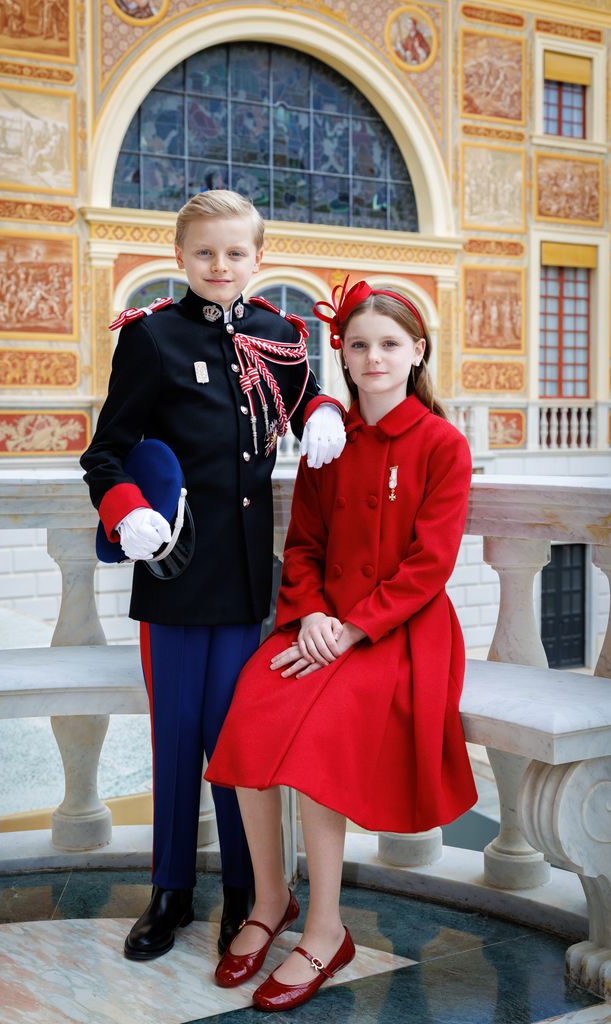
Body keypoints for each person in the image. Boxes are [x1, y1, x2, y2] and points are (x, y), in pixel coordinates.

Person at [80, 190, 346, 962]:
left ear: (259, 259)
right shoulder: (152, 337)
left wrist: (323, 407)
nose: (220, 265)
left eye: (235, 253)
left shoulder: (281, 334)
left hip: (243, 587)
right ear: (180, 257)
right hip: (171, 576)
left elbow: (302, 410)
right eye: (205, 253)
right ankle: (169, 892)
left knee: (239, 744)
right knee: (175, 741)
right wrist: (124, 507)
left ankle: (246, 894)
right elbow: (104, 451)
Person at [206, 277, 478, 1012]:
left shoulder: (442, 445)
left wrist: (355, 627)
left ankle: (325, 931)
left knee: (319, 738)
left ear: (416, 352)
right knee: (248, 715)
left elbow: (430, 564)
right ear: (344, 359)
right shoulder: (330, 443)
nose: (373, 356)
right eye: (358, 345)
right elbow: (303, 546)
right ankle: (270, 902)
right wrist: (314, 614)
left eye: (389, 343)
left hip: (400, 633)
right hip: (320, 622)